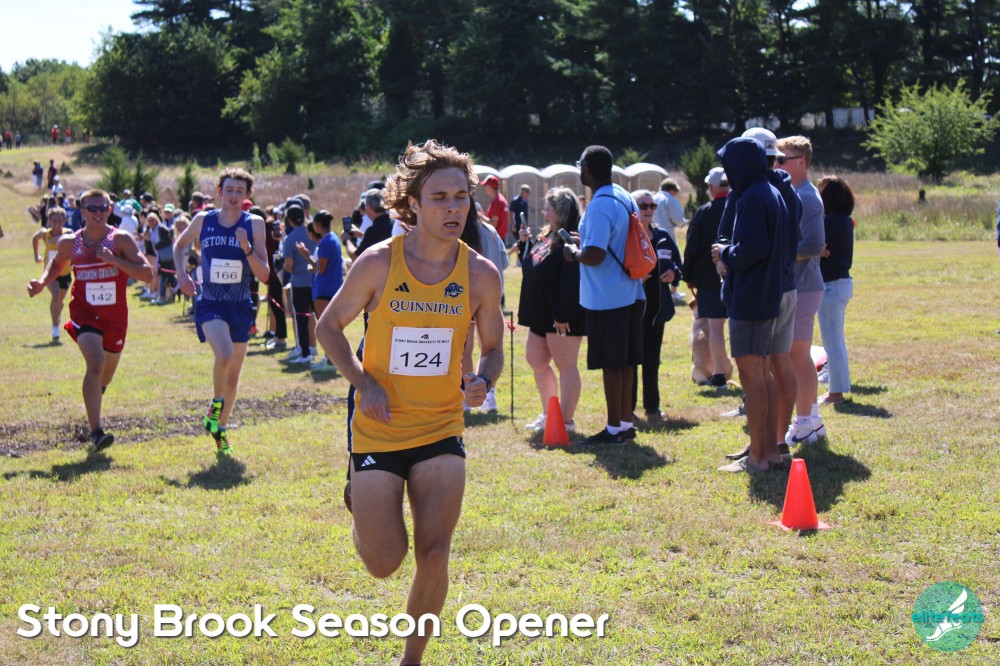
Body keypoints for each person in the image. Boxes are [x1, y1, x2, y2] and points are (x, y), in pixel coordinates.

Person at [316, 139, 503, 666]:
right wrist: (364, 383)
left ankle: (411, 660)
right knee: (383, 562)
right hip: (378, 425)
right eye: (439, 198)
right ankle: (360, 502)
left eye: (461, 197)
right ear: (414, 204)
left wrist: (483, 381)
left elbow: (493, 351)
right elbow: (329, 327)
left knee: (435, 552)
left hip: (441, 428)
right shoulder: (379, 263)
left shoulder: (481, 275)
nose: (453, 208)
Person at [27, 189, 153, 451]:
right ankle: (97, 432)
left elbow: (147, 274)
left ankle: (96, 396)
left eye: (102, 207)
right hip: (84, 312)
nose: (98, 212)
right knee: (95, 362)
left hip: (115, 318)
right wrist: (42, 282)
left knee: (104, 376)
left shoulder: (120, 239)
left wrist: (114, 260)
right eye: (92, 208)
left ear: (110, 209)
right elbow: (57, 263)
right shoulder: (69, 242)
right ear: (82, 211)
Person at [173, 168, 269, 453]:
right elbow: (179, 246)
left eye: (240, 191)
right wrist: (181, 276)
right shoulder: (203, 219)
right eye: (229, 190)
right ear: (219, 192)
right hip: (210, 300)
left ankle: (220, 427)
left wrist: (247, 247)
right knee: (225, 354)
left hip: (240, 304)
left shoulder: (255, 224)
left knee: (234, 375)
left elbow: (264, 274)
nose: (234, 196)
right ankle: (216, 405)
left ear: (247, 195)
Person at [712, 138, 793, 473]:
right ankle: (771, 453)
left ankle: (758, 457)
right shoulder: (770, 192)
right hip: (767, 295)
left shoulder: (754, 197)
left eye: (728, 165)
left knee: (752, 377)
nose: (727, 173)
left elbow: (752, 250)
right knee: (763, 374)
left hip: (751, 298)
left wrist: (724, 253)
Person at [563, 145, 646, 444]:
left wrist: (573, 253)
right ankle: (625, 423)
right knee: (626, 361)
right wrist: (583, 242)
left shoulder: (598, 205)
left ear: (587, 170)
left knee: (611, 363)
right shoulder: (624, 196)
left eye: (580, 166)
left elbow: (595, 255)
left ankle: (613, 429)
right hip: (632, 290)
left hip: (607, 296)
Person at [517, 187, 585, 431]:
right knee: (536, 360)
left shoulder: (570, 239)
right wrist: (524, 243)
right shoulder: (547, 235)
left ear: (562, 211)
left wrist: (562, 314)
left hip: (562, 315)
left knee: (566, 365)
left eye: (549, 209)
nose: (545, 213)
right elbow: (532, 264)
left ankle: (566, 421)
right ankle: (550, 413)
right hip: (540, 311)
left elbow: (572, 279)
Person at [776, 136, 827, 446]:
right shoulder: (796, 193)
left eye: (782, 160)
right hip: (801, 284)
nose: (777, 164)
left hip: (805, 285)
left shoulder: (806, 196)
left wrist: (777, 254)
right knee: (797, 354)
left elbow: (813, 244)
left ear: (801, 162)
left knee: (798, 355)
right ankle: (812, 420)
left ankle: (805, 422)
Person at [630, 189, 681, 421]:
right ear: (634, 208)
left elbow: (677, 264)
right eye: (643, 206)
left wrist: (674, 273)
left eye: (652, 206)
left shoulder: (662, 236)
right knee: (631, 360)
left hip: (657, 310)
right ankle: (627, 408)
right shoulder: (627, 237)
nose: (649, 210)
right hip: (633, 309)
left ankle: (652, 406)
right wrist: (634, 278)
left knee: (652, 359)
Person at [684, 167, 733, 389]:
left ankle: (720, 374)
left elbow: (692, 247)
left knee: (715, 328)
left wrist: (688, 275)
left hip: (710, 280)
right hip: (739, 275)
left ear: (711, 188)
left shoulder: (704, 212)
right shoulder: (740, 207)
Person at [816, 176, 855, 405]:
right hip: (841, 283)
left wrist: (814, 249)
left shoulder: (830, 222)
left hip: (831, 286)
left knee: (832, 344)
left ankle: (836, 392)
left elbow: (815, 245)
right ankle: (837, 388)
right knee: (835, 341)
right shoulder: (844, 220)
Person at [297, 210, 343, 372]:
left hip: (325, 289)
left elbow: (321, 268)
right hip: (332, 287)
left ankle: (330, 361)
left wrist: (306, 255)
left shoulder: (326, 242)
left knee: (325, 328)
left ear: (317, 225)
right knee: (330, 327)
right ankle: (329, 359)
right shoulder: (333, 238)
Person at [281, 203, 318, 364]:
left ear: (289, 220)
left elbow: (288, 267)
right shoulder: (313, 233)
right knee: (319, 318)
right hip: (315, 282)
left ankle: (305, 353)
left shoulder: (290, 239)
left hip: (299, 283)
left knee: (301, 320)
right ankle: (324, 354)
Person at [31, 206, 73, 340]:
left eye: (60, 220)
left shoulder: (68, 234)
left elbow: (77, 243)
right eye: (54, 220)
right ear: (49, 221)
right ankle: (55, 327)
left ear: (64, 221)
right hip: (50, 274)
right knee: (55, 296)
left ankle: (57, 314)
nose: (57, 223)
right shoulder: (45, 234)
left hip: (65, 273)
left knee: (59, 301)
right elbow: (35, 238)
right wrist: (36, 255)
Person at [480, 175, 509, 244]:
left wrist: (479, 216)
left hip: (496, 238)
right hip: (499, 237)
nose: (485, 188)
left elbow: (493, 224)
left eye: (486, 185)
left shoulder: (497, 201)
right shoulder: (499, 199)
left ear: (490, 187)